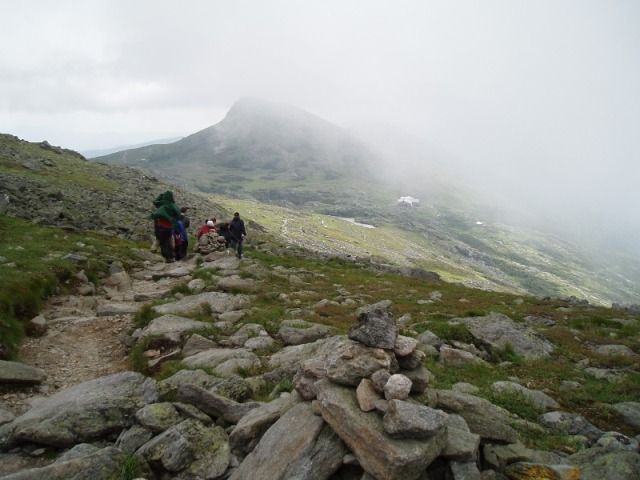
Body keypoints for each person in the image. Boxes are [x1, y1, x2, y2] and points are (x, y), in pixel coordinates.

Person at [149, 190, 182, 263]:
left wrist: (161, 195)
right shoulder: (174, 206)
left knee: (163, 242)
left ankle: (167, 257)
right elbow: (178, 216)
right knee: (169, 241)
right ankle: (171, 255)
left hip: (161, 227)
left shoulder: (162, 205)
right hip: (169, 228)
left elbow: (155, 202)